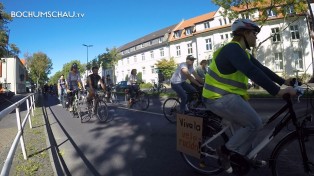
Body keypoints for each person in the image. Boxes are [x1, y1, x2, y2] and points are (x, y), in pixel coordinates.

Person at [202, 19, 297, 173]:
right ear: (245, 33)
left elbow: (261, 68)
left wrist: (284, 82)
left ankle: (245, 156)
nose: (256, 37)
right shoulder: (232, 49)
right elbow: (252, 72)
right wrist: (278, 91)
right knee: (255, 123)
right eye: (254, 33)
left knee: (252, 125)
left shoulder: (242, 52)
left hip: (227, 97)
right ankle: (225, 151)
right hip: (217, 98)